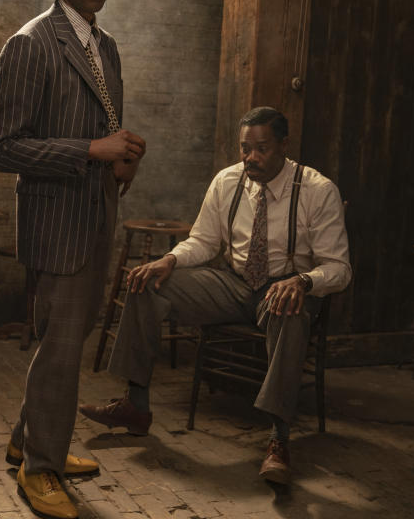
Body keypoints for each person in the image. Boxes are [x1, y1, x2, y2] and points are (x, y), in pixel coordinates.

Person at [79, 106, 351, 484]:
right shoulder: (227, 181)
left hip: (287, 291)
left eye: (261, 148)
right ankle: (135, 406)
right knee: (147, 282)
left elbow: (339, 268)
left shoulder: (317, 190)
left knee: (288, 308)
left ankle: (278, 439)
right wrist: (170, 259)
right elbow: (204, 241)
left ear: (284, 145)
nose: (251, 157)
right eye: (245, 148)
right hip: (235, 285)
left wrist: (303, 281)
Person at [0, 0, 145, 519]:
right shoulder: (29, 44)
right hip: (57, 223)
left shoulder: (103, 45)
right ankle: (42, 469)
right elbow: (4, 149)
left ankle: (29, 441)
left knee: (65, 340)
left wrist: (120, 160)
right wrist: (90, 152)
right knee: (60, 347)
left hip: (95, 212)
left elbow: (104, 130)